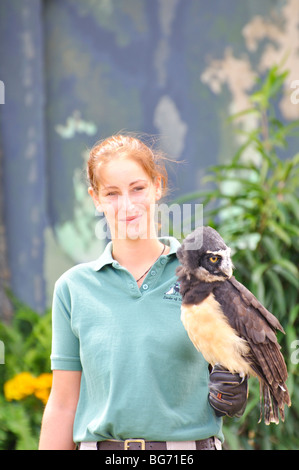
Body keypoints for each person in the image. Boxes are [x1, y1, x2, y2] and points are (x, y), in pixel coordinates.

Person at [39, 134, 247, 451]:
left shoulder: (204, 278)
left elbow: (235, 363)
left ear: (157, 186)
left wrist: (235, 380)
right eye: (112, 193)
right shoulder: (74, 288)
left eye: (138, 188)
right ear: (96, 198)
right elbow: (63, 404)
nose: (127, 205)